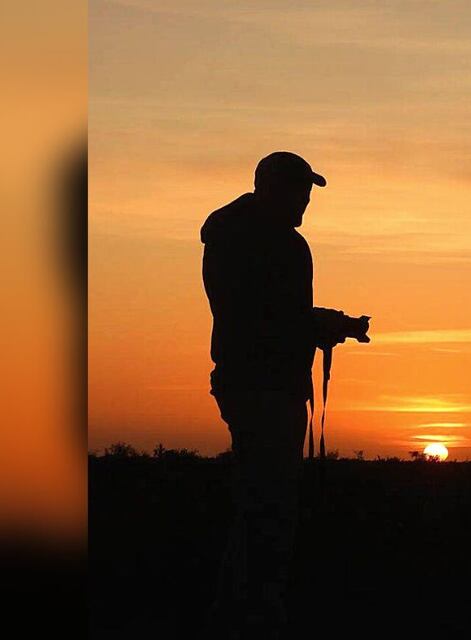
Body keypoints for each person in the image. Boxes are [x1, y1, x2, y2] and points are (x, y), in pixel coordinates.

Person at [200, 151, 327, 639]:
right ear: (273, 189)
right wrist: (318, 324)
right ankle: (257, 610)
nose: (306, 203)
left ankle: (238, 608)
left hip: (256, 382)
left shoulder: (242, 238)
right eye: (301, 192)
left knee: (260, 499)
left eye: (309, 194)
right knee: (271, 503)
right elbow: (259, 317)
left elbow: (266, 312)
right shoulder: (265, 243)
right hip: (263, 387)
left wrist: (316, 323)